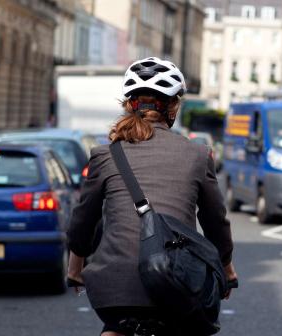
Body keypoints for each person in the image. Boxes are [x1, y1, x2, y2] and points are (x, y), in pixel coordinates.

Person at [67, 57, 237, 336]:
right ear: (174, 107)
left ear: (129, 106)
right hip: (175, 280)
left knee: (115, 328)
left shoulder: (105, 155)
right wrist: (227, 269)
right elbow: (215, 220)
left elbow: (83, 219)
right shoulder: (197, 154)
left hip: (114, 287)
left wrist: (75, 267)